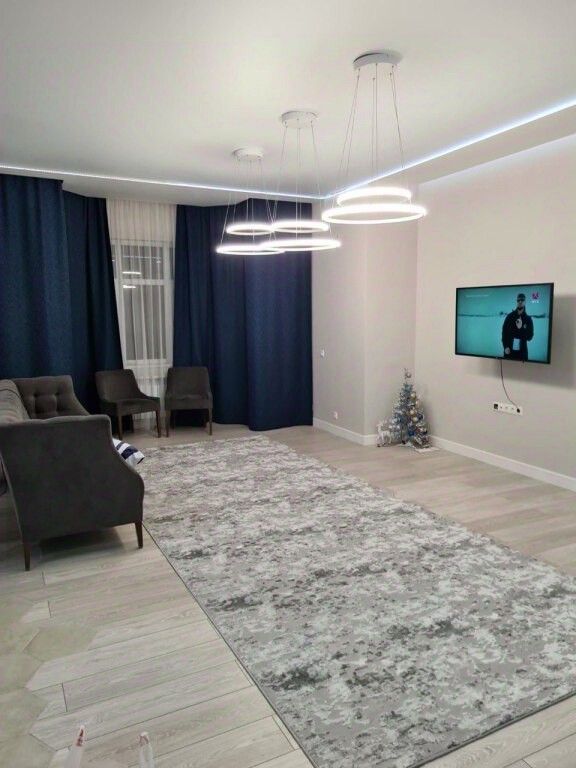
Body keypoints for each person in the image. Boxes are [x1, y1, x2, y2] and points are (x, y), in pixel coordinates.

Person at [502, 293, 534, 361]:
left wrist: (521, 328)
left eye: (522, 300)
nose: (520, 302)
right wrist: (505, 346)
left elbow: (530, 337)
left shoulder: (528, 319)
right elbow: (504, 333)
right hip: (509, 353)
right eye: (518, 300)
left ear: (525, 302)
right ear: (516, 301)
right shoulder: (509, 317)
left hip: (522, 355)